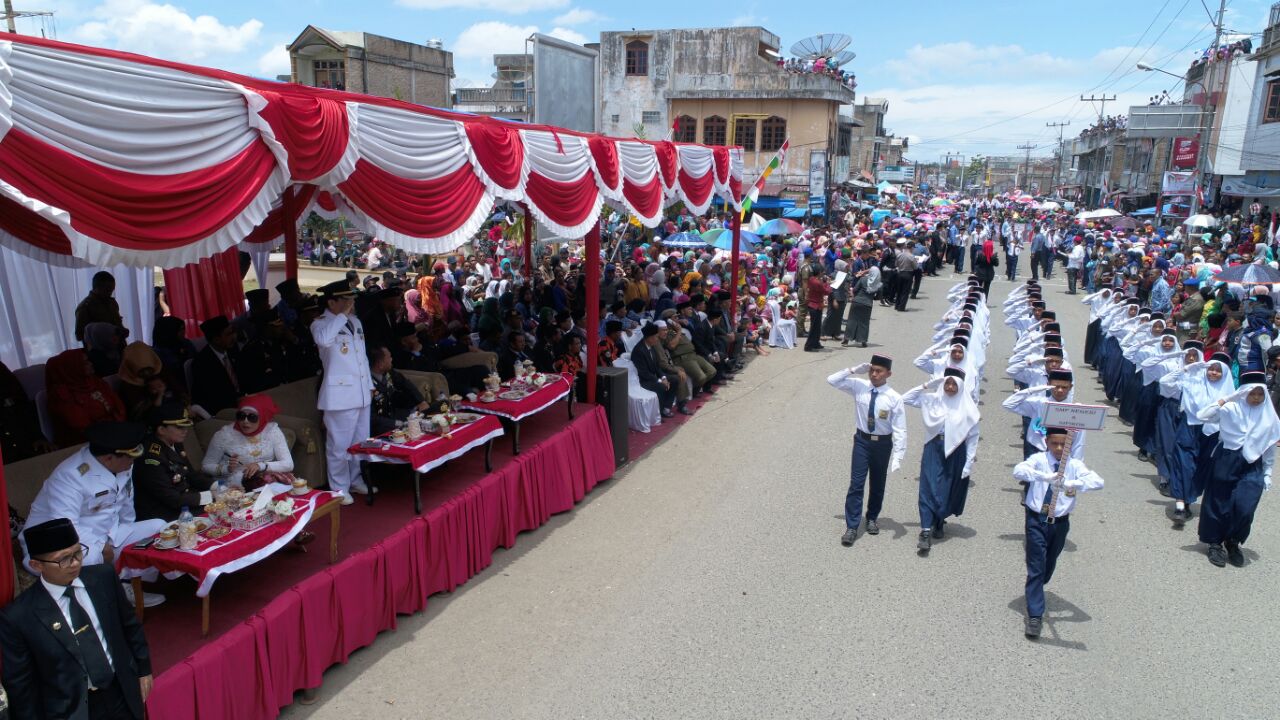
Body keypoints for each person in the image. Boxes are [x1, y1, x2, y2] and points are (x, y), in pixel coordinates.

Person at [0, 518, 154, 720]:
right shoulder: (19, 616)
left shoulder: (103, 578)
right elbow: (22, 685)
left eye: (78, 553)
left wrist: (143, 670)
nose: (75, 563)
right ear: (37, 565)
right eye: (64, 559)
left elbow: (130, 626)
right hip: (71, 710)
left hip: (120, 692)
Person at [22, 422, 168, 607]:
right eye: (130, 457)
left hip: (107, 533)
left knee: (158, 529)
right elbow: (64, 525)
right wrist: (99, 545)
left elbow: (125, 506)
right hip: (55, 545)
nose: (133, 461)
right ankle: (104, 600)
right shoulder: (69, 475)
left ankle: (130, 584)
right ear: (108, 458)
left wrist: (129, 541)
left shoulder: (122, 464)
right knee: (92, 556)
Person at [1013, 427, 1104, 639]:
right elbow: (1018, 471)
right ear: (1047, 442)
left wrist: (1072, 482)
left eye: (1064, 444)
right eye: (1055, 443)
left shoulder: (1073, 465)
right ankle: (1035, 615)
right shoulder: (1038, 459)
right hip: (1037, 519)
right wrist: (1045, 477)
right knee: (1036, 566)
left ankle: (1036, 587)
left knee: (1048, 564)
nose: (1059, 448)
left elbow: (1098, 482)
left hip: (1060, 523)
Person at [1194, 370, 1280, 567]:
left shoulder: (1269, 416)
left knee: (1245, 505)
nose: (1256, 398)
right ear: (1243, 392)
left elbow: (1269, 446)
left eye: (1260, 394)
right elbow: (1203, 415)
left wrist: (1267, 472)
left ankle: (1233, 540)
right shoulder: (1231, 408)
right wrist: (1229, 398)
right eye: (1252, 393)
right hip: (1227, 458)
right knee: (1218, 502)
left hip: (1252, 464)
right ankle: (1214, 543)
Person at [828, 355, 906, 546]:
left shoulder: (894, 398)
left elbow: (900, 428)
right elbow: (831, 380)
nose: (874, 374)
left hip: (882, 444)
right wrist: (853, 370)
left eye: (879, 371)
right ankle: (852, 526)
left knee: (878, 483)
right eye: (872, 370)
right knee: (856, 484)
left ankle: (872, 517)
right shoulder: (859, 386)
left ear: (889, 373)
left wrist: (898, 455)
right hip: (862, 442)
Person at [901, 368, 979, 552]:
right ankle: (925, 530)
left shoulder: (968, 408)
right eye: (947, 383)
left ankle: (939, 519)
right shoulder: (933, 400)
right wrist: (927, 385)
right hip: (933, 447)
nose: (950, 387)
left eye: (954, 384)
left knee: (945, 489)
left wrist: (969, 463)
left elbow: (973, 437)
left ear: (960, 386)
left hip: (956, 451)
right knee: (927, 486)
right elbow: (906, 398)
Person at [312, 279, 375, 504]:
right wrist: (340, 316)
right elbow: (323, 340)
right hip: (339, 395)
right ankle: (339, 488)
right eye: (346, 299)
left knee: (359, 442)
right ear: (332, 302)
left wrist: (369, 385)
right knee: (339, 445)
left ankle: (355, 480)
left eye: (352, 299)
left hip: (360, 392)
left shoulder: (355, 322)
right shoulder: (320, 324)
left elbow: (362, 358)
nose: (351, 303)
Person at [132, 402, 213, 522]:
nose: (185, 430)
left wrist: (217, 486)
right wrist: (209, 496)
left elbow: (190, 474)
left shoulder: (174, 443)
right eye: (179, 427)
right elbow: (171, 498)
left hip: (183, 502)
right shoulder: (150, 458)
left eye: (185, 426)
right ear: (161, 430)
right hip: (163, 513)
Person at [201, 395, 294, 490]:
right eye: (241, 416)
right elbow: (206, 466)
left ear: (263, 417)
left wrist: (260, 466)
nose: (245, 421)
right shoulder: (224, 435)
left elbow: (288, 464)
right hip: (234, 486)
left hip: (265, 482)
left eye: (252, 417)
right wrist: (227, 469)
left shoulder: (272, 431)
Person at [45, 349, 126, 448]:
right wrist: (113, 425)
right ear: (73, 368)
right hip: (83, 445)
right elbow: (83, 427)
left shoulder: (95, 382)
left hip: (112, 433)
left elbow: (119, 407)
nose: (91, 364)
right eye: (85, 363)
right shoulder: (61, 395)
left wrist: (117, 425)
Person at [368, 345, 430, 435]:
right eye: (389, 357)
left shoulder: (389, 373)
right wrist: (398, 424)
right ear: (380, 364)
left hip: (396, 415)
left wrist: (421, 401)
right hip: (382, 426)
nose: (391, 359)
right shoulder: (367, 383)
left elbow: (406, 384)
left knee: (433, 410)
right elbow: (372, 418)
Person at [191, 315, 243, 416]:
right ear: (216, 339)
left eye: (233, 332)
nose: (234, 337)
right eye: (228, 334)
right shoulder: (202, 363)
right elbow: (212, 396)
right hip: (221, 410)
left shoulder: (233, 350)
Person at [631, 323, 677, 417]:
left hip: (653, 377)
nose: (657, 339)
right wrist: (660, 381)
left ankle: (666, 408)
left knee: (674, 380)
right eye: (656, 337)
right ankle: (659, 413)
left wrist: (663, 377)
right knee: (661, 386)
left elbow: (657, 366)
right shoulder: (639, 351)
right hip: (644, 380)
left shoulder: (651, 346)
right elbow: (643, 373)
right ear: (649, 337)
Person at [74, 270, 124, 343]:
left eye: (112, 290)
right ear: (97, 287)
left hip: (119, 348)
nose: (110, 293)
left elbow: (118, 324)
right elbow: (79, 336)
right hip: (99, 352)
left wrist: (122, 330)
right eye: (107, 290)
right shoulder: (85, 307)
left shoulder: (112, 303)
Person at [843, 253, 880, 348]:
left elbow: (855, 290)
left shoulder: (863, 279)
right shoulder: (878, 284)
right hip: (867, 304)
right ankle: (863, 341)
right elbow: (878, 297)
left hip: (857, 302)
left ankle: (846, 339)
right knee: (864, 323)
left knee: (852, 320)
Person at [804, 265, 832, 351]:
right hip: (815, 305)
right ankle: (808, 346)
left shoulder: (811, 279)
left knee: (817, 326)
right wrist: (828, 284)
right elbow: (827, 291)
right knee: (814, 327)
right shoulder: (817, 282)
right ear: (819, 272)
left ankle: (816, 343)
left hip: (814, 305)